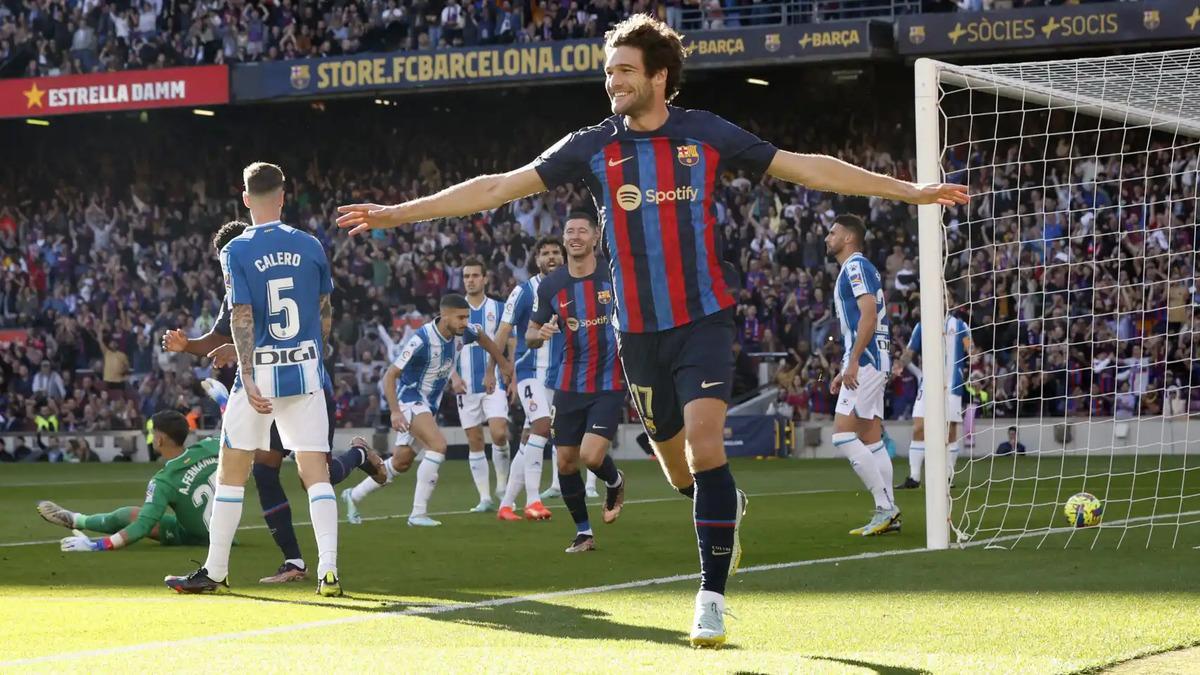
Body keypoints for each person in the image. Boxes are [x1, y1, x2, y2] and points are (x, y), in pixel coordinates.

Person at [335, 14, 966, 648]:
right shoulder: (593, 145)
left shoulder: (705, 134)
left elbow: (807, 168)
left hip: (703, 320)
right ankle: (722, 506)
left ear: (660, 76)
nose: (613, 81)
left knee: (705, 444)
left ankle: (711, 597)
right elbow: (500, 186)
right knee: (678, 470)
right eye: (608, 71)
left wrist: (910, 192)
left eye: (625, 71)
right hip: (635, 335)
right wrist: (398, 214)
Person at [162, 220, 387, 584]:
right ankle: (300, 563)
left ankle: (358, 456)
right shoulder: (296, 263)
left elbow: (253, 328)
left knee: (308, 474)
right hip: (303, 378)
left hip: (275, 383)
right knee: (271, 470)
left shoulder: (243, 269)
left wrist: (228, 353)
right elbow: (277, 327)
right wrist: (193, 345)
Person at [165, 162, 342, 597]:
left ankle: (216, 570)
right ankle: (329, 573)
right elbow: (325, 313)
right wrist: (312, 357)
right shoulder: (312, 245)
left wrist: (246, 372)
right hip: (305, 371)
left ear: (245, 200)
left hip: (258, 374)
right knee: (315, 472)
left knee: (232, 472)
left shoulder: (236, 251)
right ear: (283, 196)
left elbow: (241, 314)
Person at [341, 294, 513, 526]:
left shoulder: (463, 331)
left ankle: (353, 496)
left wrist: (502, 363)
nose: (465, 322)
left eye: (467, 317)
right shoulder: (421, 340)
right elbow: (390, 375)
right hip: (410, 400)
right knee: (438, 445)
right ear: (444, 315)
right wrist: (394, 411)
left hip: (428, 405)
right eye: (460, 317)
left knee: (401, 462)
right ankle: (418, 513)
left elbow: (483, 337)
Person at [527, 212, 627, 552]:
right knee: (566, 461)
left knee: (591, 456)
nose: (575, 236)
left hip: (609, 380)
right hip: (568, 383)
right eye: (570, 231)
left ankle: (615, 481)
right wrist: (539, 334)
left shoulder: (614, 275)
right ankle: (584, 533)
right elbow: (529, 334)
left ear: (595, 237)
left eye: (583, 231)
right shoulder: (551, 285)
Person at [38, 411, 215, 551]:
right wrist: (224, 401)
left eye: (153, 433)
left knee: (139, 519)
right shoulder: (209, 446)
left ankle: (79, 521)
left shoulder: (164, 480)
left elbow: (142, 526)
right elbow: (235, 434)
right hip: (221, 532)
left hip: (196, 537)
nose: (152, 437)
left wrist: (98, 545)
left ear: (160, 440)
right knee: (127, 514)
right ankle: (76, 520)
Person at [826, 214, 900, 537]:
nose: (827, 237)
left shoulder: (855, 266)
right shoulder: (856, 268)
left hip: (868, 359)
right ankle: (890, 513)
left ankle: (885, 507)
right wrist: (845, 367)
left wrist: (853, 361)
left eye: (833, 232)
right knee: (871, 438)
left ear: (848, 238)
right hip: (873, 359)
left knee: (842, 435)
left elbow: (868, 314)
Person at [494, 236, 565, 521]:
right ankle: (533, 500)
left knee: (528, 440)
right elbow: (502, 332)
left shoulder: (572, 288)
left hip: (557, 376)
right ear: (536, 260)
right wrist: (498, 370)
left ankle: (506, 505)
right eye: (545, 253)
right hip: (528, 371)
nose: (551, 257)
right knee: (542, 426)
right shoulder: (523, 291)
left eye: (555, 252)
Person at [453, 257, 512, 513]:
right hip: (465, 386)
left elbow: (510, 343)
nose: (470, 280)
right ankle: (485, 498)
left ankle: (502, 485)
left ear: (485, 278)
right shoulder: (453, 312)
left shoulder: (499, 309)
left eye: (475, 275)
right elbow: (444, 349)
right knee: (474, 439)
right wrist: (453, 378)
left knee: (499, 433)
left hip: (494, 382)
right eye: (466, 276)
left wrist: (512, 375)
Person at [892, 309, 973, 490]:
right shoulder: (922, 325)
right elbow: (910, 352)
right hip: (927, 384)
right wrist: (899, 364)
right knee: (919, 428)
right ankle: (914, 477)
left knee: (950, 432)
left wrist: (973, 352)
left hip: (952, 384)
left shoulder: (960, 325)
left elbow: (970, 350)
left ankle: (948, 477)